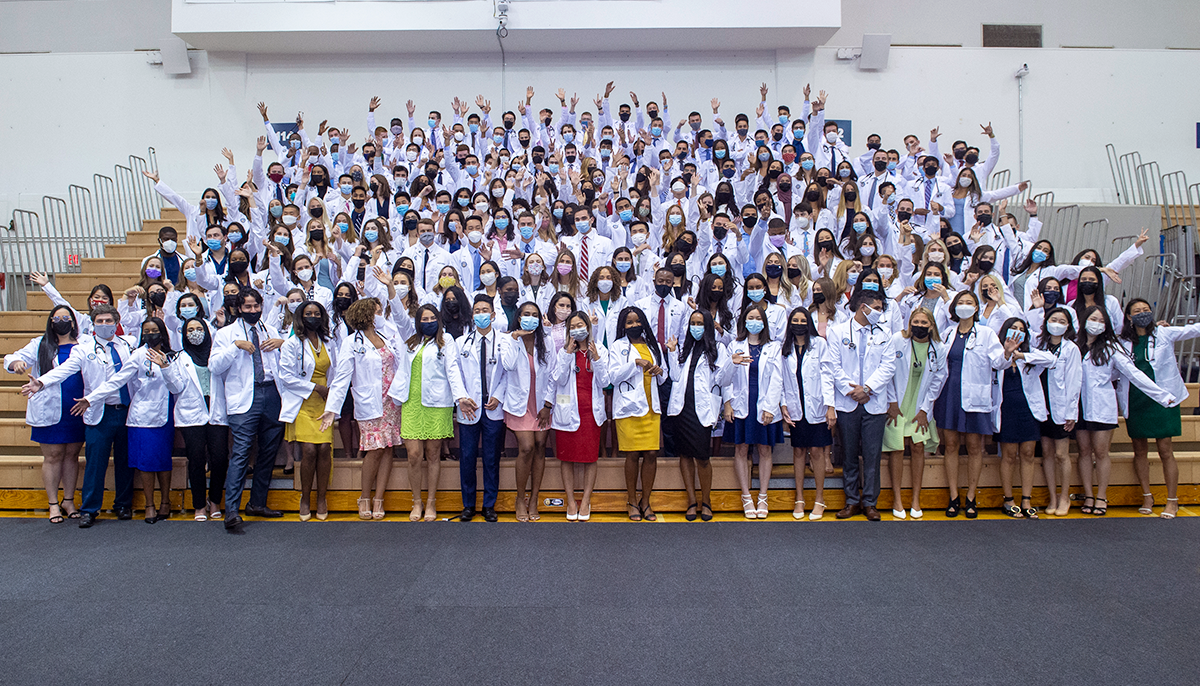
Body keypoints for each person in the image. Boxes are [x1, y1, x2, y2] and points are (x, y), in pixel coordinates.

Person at [20, 305, 135, 528]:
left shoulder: (127, 345)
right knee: (95, 463)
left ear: (116, 322)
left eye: (108, 321)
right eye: (99, 321)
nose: (104, 325)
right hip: (99, 412)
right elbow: (65, 369)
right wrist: (42, 382)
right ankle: (90, 509)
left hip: (125, 411)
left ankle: (123, 505)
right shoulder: (83, 349)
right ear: (93, 325)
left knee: (124, 462)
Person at [1075, 306, 1176, 517]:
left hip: (1102, 406)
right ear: (1084, 321)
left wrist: (1161, 395)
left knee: (1101, 452)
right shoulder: (1075, 346)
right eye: (1093, 319)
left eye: (1101, 321)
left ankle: (1101, 496)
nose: (1097, 323)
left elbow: (1134, 374)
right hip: (1077, 407)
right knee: (1083, 452)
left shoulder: (1112, 347)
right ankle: (1088, 495)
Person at [76, 317, 179, 523]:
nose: (151, 335)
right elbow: (117, 380)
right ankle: (149, 505)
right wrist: (91, 398)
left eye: (155, 330)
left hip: (164, 415)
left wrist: (166, 367)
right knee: (144, 462)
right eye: (147, 331)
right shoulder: (138, 354)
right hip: (140, 416)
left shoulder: (173, 356)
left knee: (162, 460)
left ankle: (165, 502)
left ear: (162, 332)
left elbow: (177, 387)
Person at [210, 288, 287, 531]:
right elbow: (214, 366)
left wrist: (283, 344)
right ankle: (231, 510)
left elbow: (286, 363)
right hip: (245, 397)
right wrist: (235, 346)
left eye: (256, 307)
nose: (253, 311)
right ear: (238, 309)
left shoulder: (270, 330)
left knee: (268, 451)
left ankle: (257, 503)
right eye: (248, 307)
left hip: (272, 393)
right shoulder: (226, 334)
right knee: (242, 452)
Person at [390, 304, 474, 522]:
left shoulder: (446, 340)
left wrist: (460, 397)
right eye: (423, 319)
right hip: (411, 402)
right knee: (414, 455)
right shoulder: (411, 341)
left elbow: (453, 369)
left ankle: (431, 502)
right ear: (418, 322)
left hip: (437, 403)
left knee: (433, 454)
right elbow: (398, 315)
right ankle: (416, 501)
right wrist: (390, 289)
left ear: (438, 319)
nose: (428, 322)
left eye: (432, 318)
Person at [322, 298, 403, 520]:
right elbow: (342, 378)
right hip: (369, 402)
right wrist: (332, 409)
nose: (380, 315)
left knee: (388, 448)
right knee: (374, 450)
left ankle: (379, 499)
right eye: (377, 312)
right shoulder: (351, 342)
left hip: (390, 402)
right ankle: (364, 497)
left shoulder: (386, 337)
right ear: (367, 315)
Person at [933, 291, 1011, 519]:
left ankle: (971, 496)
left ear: (976, 308)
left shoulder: (986, 334)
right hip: (949, 395)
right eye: (961, 303)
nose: (964, 306)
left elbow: (998, 362)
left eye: (969, 303)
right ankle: (954, 496)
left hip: (975, 396)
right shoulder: (947, 333)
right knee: (951, 445)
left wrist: (1007, 352)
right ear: (954, 308)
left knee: (975, 447)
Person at [1120, 298, 1200, 519]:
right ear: (1128, 317)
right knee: (1140, 451)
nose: (1142, 313)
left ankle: (1172, 500)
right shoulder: (1122, 341)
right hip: (1136, 399)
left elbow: (1191, 330)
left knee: (1166, 451)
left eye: (1146, 310)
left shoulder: (1164, 333)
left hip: (1164, 399)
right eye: (1137, 311)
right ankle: (1147, 496)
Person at [4, 306, 85, 522]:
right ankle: (52, 504)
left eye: (66, 317)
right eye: (56, 318)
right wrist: (16, 363)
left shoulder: (84, 343)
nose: (61, 321)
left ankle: (68, 500)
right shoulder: (40, 344)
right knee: (53, 456)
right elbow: (12, 357)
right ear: (50, 322)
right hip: (48, 409)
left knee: (71, 456)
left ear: (73, 322)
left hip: (76, 408)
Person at [824, 288, 896, 520]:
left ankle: (870, 503)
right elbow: (833, 366)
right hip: (848, 403)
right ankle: (852, 501)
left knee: (872, 454)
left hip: (873, 402)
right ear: (863, 307)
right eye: (876, 308)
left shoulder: (885, 334)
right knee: (849, 454)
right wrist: (850, 389)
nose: (880, 312)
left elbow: (888, 367)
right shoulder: (838, 332)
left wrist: (867, 389)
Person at [490, 301, 554, 522]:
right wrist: (516, 339)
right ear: (519, 317)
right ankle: (520, 498)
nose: (530, 318)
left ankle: (534, 498)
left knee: (539, 447)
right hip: (519, 404)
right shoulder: (509, 339)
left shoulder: (545, 340)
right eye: (526, 314)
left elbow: (553, 375)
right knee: (526, 447)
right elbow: (507, 365)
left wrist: (547, 405)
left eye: (534, 315)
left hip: (541, 404)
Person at [881, 308, 945, 520]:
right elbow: (888, 371)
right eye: (915, 321)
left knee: (918, 447)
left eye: (924, 323)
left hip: (920, 406)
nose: (919, 325)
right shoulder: (898, 340)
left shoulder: (938, 348)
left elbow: (938, 380)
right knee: (897, 449)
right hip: (897, 404)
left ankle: (915, 499)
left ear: (931, 326)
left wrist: (925, 410)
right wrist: (891, 401)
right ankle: (897, 499)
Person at [278, 301, 337, 521]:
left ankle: (321, 498)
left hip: (324, 402)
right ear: (301, 317)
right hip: (302, 401)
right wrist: (316, 387)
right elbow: (286, 376)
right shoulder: (292, 343)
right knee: (310, 450)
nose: (313, 316)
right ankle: (305, 498)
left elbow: (337, 371)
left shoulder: (329, 342)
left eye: (316, 313)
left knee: (324, 449)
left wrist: (330, 391)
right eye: (308, 313)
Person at [722, 306, 783, 519]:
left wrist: (770, 407)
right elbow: (726, 378)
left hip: (764, 403)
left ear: (764, 322)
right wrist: (727, 404)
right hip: (741, 403)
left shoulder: (773, 347)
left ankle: (763, 496)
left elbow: (777, 379)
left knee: (765, 450)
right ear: (744, 321)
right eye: (750, 318)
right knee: (741, 449)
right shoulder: (734, 345)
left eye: (758, 318)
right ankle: (746, 496)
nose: (754, 321)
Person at [667, 310, 727, 522]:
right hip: (683, 409)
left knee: (702, 457)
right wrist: (672, 353)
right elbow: (674, 376)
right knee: (684, 455)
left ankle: (707, 501)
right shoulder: (687, 347)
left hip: (702, 409)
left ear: (708, 326)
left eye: (700, 323)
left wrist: (732, 363)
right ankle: (692, 500)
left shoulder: (718, 348)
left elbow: (722, 379)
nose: (696, 326)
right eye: (693, 323)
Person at [994, 317, 1057, 519]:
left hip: (1028, 409)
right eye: (1013, 328)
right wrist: (1008, 352)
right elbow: (997, 364)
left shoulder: (1029, 355)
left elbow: (1051, 360)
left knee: (1028, 453)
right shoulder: (996, 350)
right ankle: (1008, 499)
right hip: (1006, 409)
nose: (1017, 332)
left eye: (1021, 330)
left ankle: (1027, 499)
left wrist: (1021, 355)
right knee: (1009, 454)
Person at [608, 306, 666, 521]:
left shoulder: (653, 345)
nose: (634, 325)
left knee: (651, 453)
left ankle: (646, 501)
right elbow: (612, 377)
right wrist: (635, 364)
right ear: (623, 326)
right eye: (629, 322)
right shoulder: (617, 346)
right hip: (629, 408)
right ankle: (632, 501)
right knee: (632, 454)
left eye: (637, 321)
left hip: (652, 407)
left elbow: (664, 375)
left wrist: (660, 371)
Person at [778, 307, 836, 520]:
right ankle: (799, 498)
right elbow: (782, 379)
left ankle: (820, 499)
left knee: (818, 452)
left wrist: (830, 406)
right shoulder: (785, 348)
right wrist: (783, 405)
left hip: (818, 406)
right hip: (795, 407)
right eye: (795, 320)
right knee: (799, 452)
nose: (799, 324)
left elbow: (828, 376)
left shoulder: (819, 344)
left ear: (808, 323)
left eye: (803, 320)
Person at [551, 312, 608, 521]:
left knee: (589, 458)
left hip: (590, 412)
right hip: (568, 411)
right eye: (573, 326)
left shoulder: (599, 349)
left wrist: (597, 359)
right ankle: (570, 500)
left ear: (588, 326)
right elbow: (559, 378)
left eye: (580, 324)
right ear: (568, 331)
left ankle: (585, 500)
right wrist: (567, 353)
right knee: (567, 458)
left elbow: (604, 381)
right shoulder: (564, 351)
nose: (577, 329)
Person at [171, 316, 227, 521]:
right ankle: (199, 505)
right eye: (190, 330)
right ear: (184, 335)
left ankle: (214, 501)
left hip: (216, 411)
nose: (195, 333)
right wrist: (165, 369)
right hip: (192, 414)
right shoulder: (179, 358)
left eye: (199, 328)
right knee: (196, 459)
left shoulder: (216, 354)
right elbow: (175, 388)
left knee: (220, 458)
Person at [455, 295, 505, 522]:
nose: (481, 314)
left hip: (493, 406)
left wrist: (498, 395)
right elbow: (454, 374)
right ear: (472, 315)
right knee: (467, 457)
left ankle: (489, 505)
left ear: (493, 315)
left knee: (491, 458)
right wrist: (462, 398)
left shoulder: (505, 342)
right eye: (477, 310)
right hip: (470, 408)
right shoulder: (461, 343)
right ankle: (468, 505)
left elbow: (508, 373)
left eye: (485, 310)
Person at [1034, 307, 1081, 517]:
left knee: (1062, 454)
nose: (1057, 323)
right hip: (1041, 405)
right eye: (1054, 319)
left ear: (1068, 326)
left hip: (1061, 407)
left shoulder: (1071, 349)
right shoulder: (1039, 345)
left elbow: (1074, 381)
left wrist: (1071, 412)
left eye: (1062, 321)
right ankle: (1052, 497)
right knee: (1048, 454)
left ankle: (1064, 497)